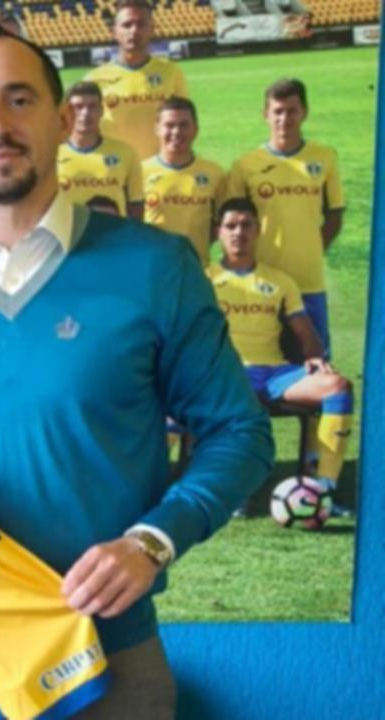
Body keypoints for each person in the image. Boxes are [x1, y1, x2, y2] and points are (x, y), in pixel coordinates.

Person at [0, 22, 272, 717]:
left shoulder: (154, 267)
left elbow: (240, 432)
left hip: (111, 661)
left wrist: (151, 541)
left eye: (19, 99)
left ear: (61, 119)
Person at [210, 198, 353, 515]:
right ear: (218, 231)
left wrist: (315, 358)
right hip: (230, 373)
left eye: (246, 225)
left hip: (276, 374)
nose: (238, 232)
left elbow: (304, 332)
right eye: (231, 226)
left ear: (257, 230)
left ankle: (323, 489)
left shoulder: (279, 281)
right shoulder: (203, 280)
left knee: (338, 387)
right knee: (234, 400)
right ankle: (236, 492)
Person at [225, 78, 343, 355]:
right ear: (265, 114)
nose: (284, 119)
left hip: (308, 280)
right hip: (263, 281)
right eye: (277, 111)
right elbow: (233, 222)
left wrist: (313, 248)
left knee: (316, 360)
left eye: (292, 111)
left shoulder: (324, 157)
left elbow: (335, 213)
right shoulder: (246, 165)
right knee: (263, 357)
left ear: (305, 112)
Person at [84, 0, 189, 160]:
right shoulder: (94, 79)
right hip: (116, 168)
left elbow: (184, 123)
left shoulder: (171, 72)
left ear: (152, 29)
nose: (134, 31)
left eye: (141, 24)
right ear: (114, 31)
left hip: (159, 168)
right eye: (127, 25)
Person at [142, 96, 224, 265]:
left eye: (183, 125)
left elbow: (219, 226)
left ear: (196, 129)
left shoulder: (214, 173)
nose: (176, 132)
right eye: (169, 125)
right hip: (154, 268)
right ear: (157, 128)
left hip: (196, 268)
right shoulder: (141, 172)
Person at [57, 81, 143, 219]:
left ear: (101, 110)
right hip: (68, 230)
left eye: (92, 107)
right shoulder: (52, 154)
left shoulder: (125, 152)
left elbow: (136, 203)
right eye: (78, 107)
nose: (85, 113)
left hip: (112, 231)